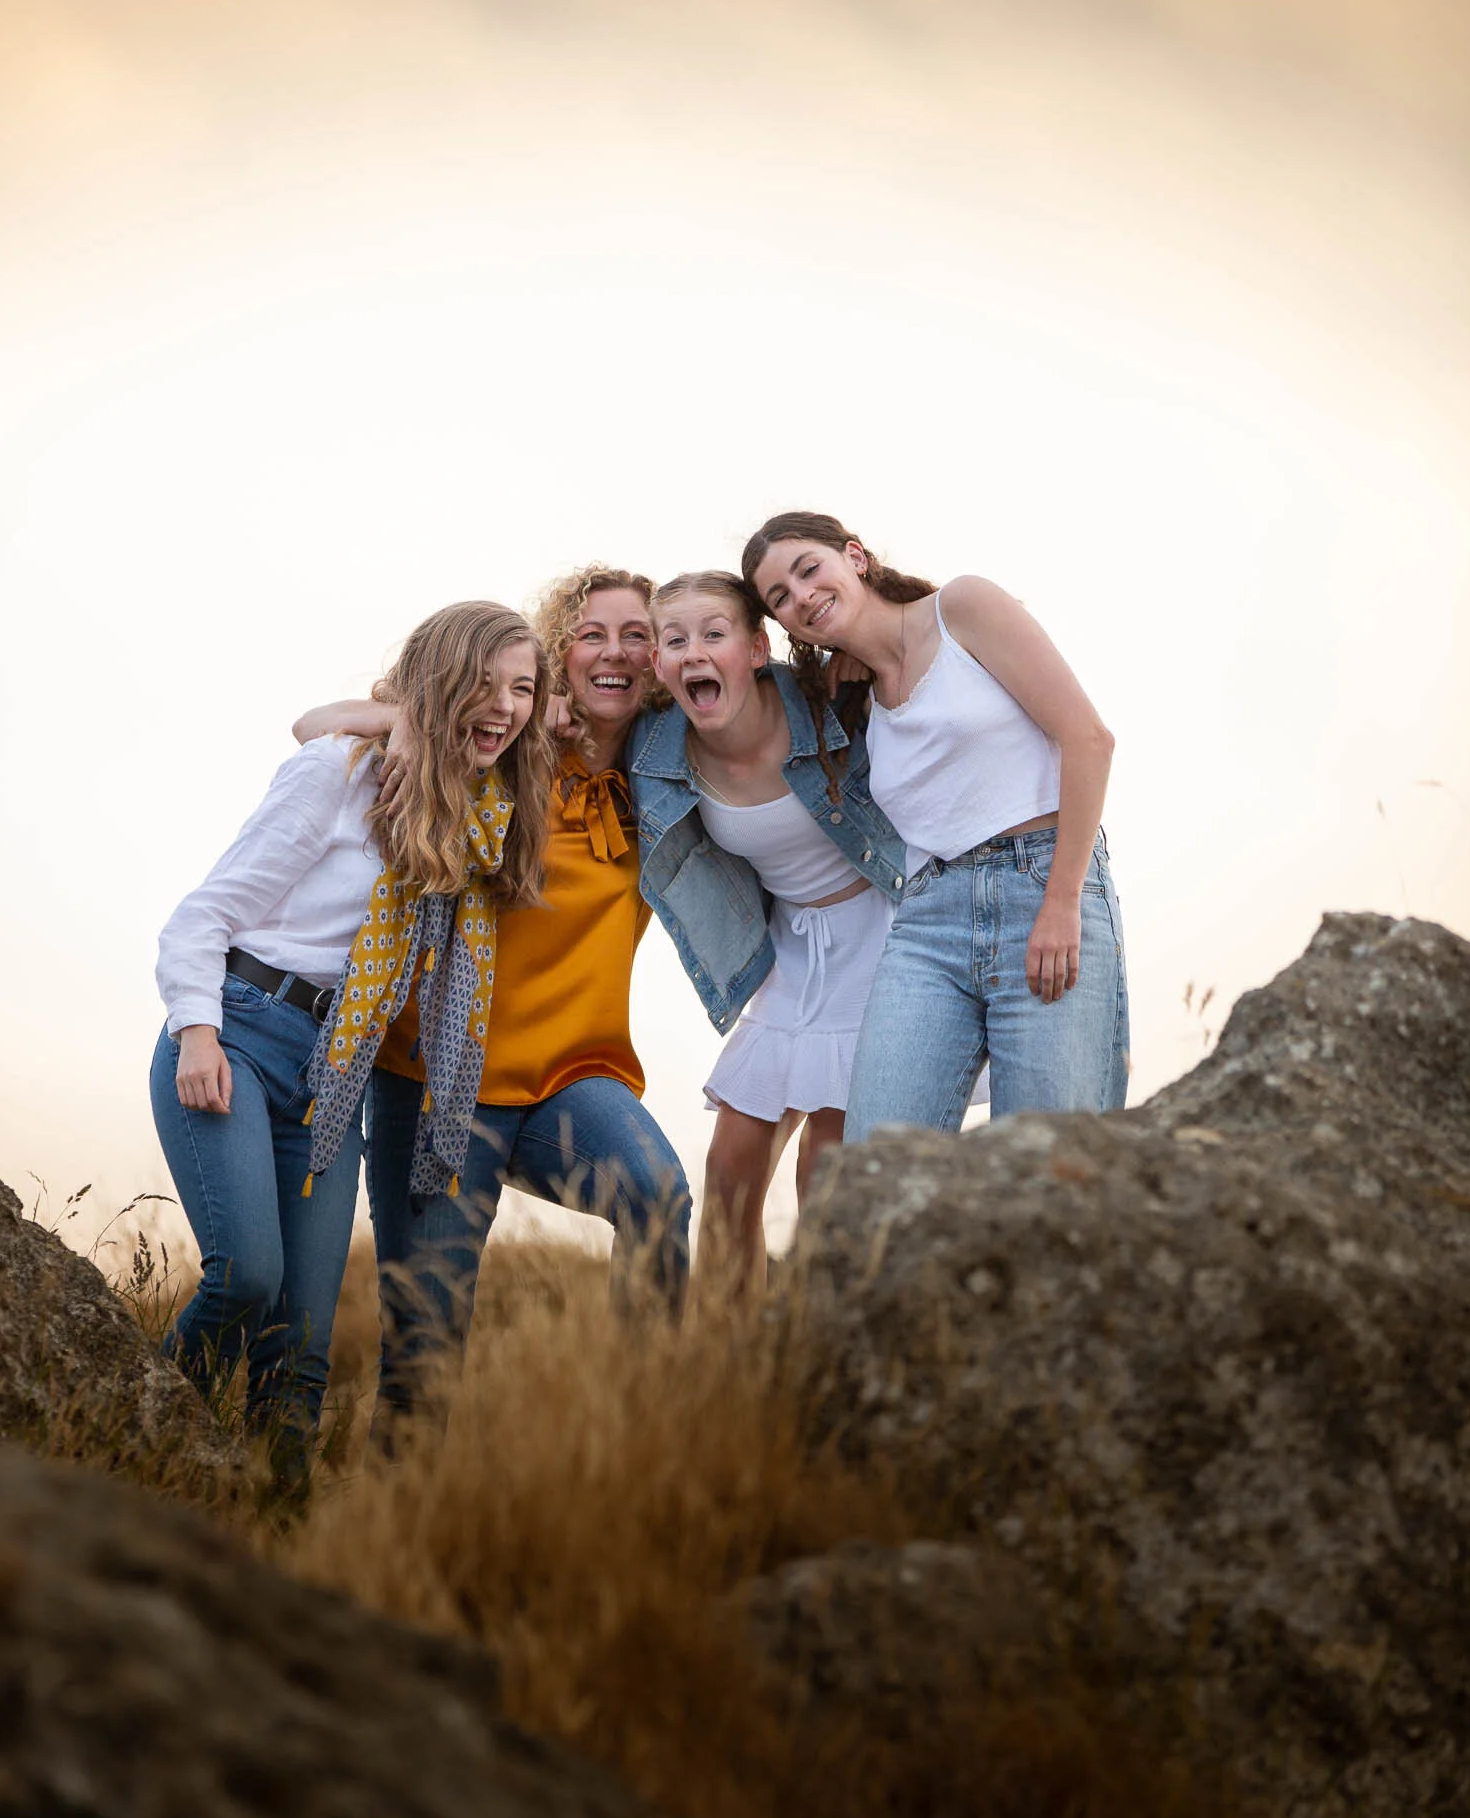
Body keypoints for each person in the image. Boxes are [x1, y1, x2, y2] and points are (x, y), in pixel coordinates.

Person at [153, 600, 551, 1474]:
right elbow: (202, 917)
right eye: (485, 683)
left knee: (301, 1346)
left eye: (522, 689)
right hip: (241, 1037)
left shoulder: (472, 816)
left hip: (336, 1072)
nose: (508, 705)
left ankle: (273, 1515)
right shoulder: (336, 774)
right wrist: (197, 1035)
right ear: (439, 682)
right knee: (246, 1279)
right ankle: (137, 1432)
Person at [294, 566, 692, 1434]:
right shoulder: (500, 749)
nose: (617, 651)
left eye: (638, 635)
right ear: (558, 654)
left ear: (660, 660)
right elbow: (314, 726)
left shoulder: (665, 785)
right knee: (426, 1353)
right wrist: (409, 720)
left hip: (572, 1080)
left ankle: (647, 1428)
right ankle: (401, 1523)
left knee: (657, 1199)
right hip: (436, 1076)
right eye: (593, 634)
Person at [743, 512, 1129, 1139]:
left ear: (856, 557)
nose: (802, 596)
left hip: (1043, 885)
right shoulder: (855, 693)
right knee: (876, 1158)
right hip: (926, 920)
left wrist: (1062, 903)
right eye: (779, 597)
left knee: (1046, 1165)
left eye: (808, 569)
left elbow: (1089, 740)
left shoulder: (963, 607)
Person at [629, 571, 906, 1286]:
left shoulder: (826, 702)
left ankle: (822, 1341)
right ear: (658, 664)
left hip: (880, 935)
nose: (694, 652)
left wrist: (864, 653)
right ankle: (733, 1358)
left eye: (713, 634)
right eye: (674, 639)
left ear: (754, 648)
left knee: (828, 1166)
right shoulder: (655, 752)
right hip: (789, 954)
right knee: (728, 1177)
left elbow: (915, 649)